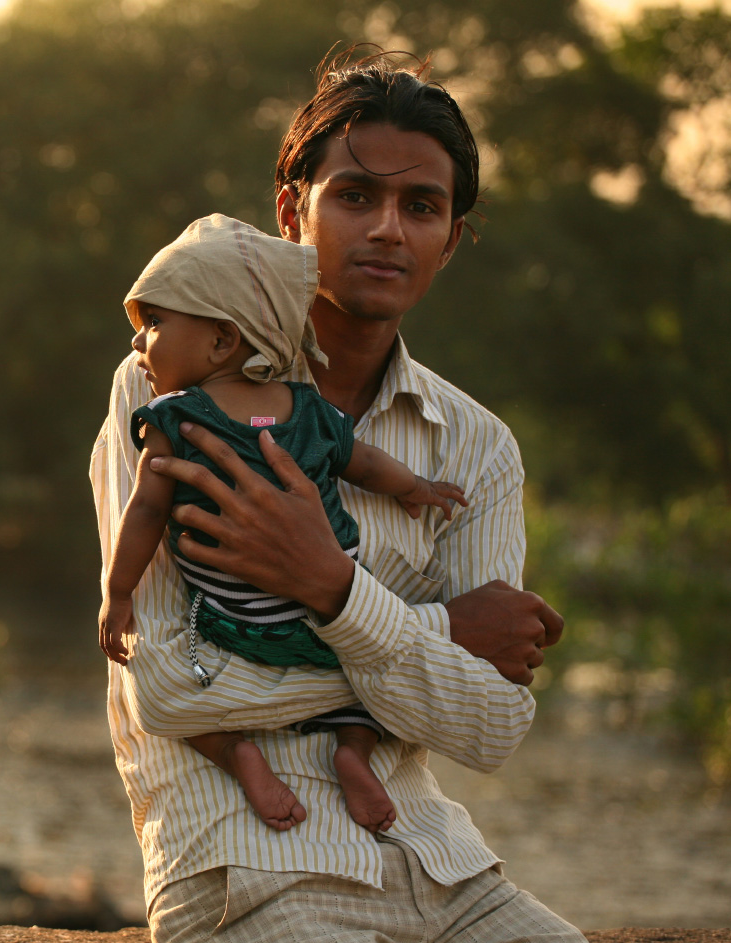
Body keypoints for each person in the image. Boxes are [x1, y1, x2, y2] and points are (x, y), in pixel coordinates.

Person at [89, 50, 635, 943]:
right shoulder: (169, 387)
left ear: (451, 239)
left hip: (441, 871)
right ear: (292, 211)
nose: (387, 229)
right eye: (354, 196)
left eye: (420, 207)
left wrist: (333, 589)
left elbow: (493, 722)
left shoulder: (472, 446)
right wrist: (434, 633)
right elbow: (170, 692)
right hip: (249, 873)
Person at [99, 213, 468, 836]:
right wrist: (418, 488)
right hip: (323, 626)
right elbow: (364, 463)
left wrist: (118, 593)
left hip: (228, 621)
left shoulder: (173, 419)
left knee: (175, 706)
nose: (139, 344)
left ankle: (239, 753)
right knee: (370, 691)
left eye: (155, 324)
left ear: (220, 342)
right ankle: (352, 752)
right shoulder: (309, 411)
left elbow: (144, 509)